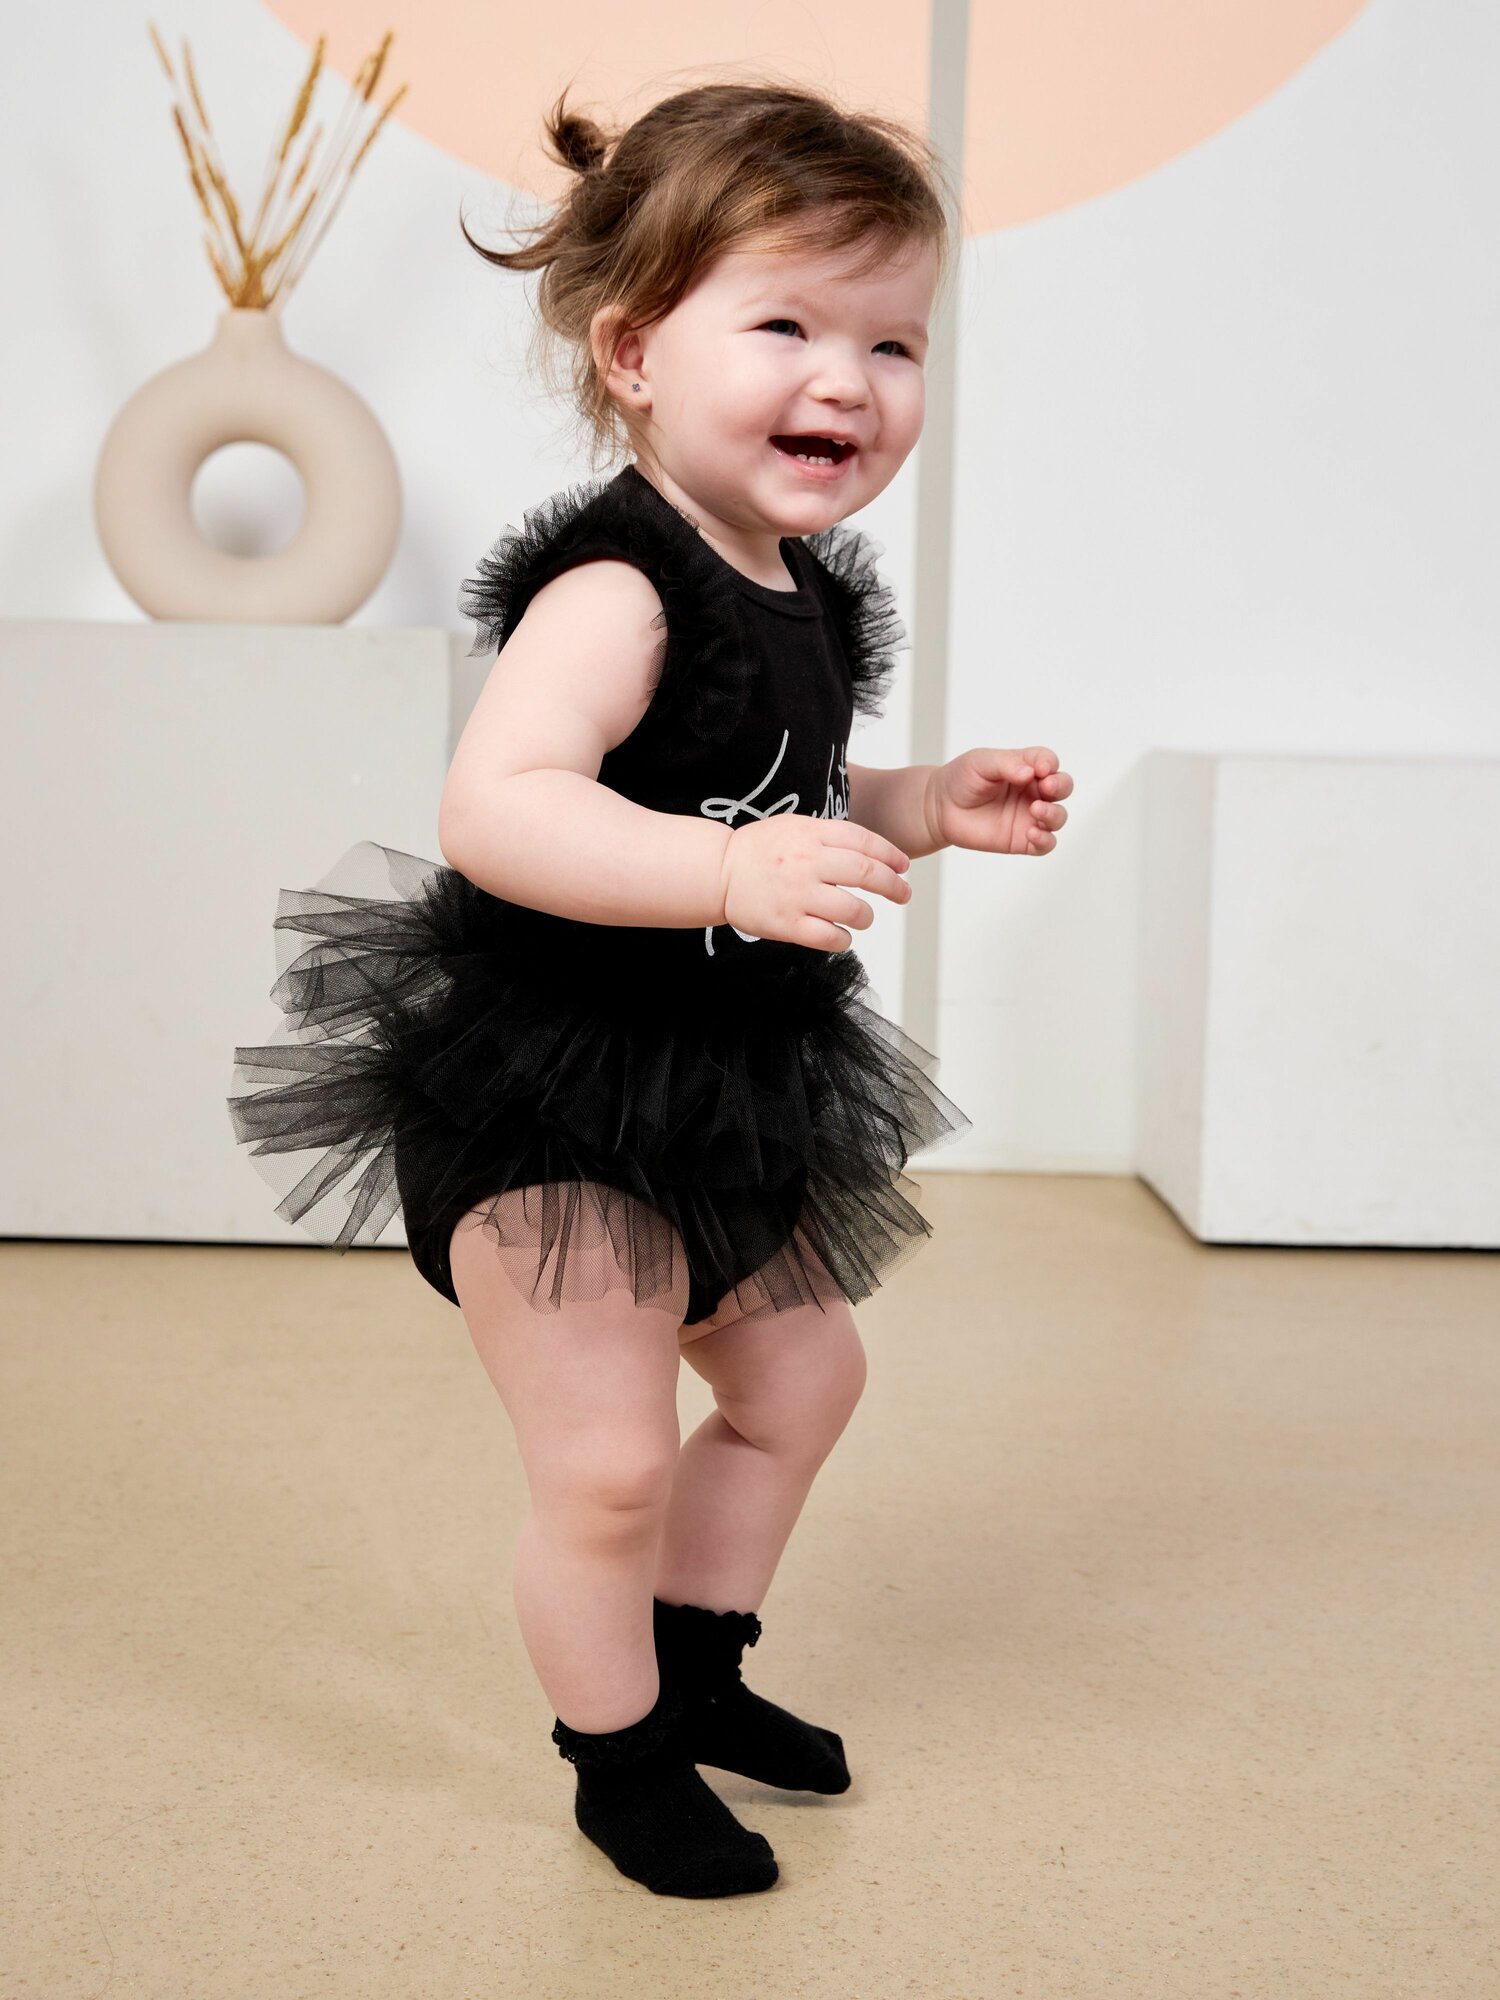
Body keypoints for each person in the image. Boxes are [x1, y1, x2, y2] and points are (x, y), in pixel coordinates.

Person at [227, 78, 1073, 1899]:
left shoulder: (806, 590)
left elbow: (770, 791)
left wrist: (919, 802)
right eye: (787, 327)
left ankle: (695, 1672)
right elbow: (499, 806)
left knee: (803, 1383)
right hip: (554, 1094)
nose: (849, 382)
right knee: (608, 1463)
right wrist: (722, 877)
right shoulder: (617, 589)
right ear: (632, 352)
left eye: (893, 342)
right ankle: (617, 1759)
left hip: (721, 1083)